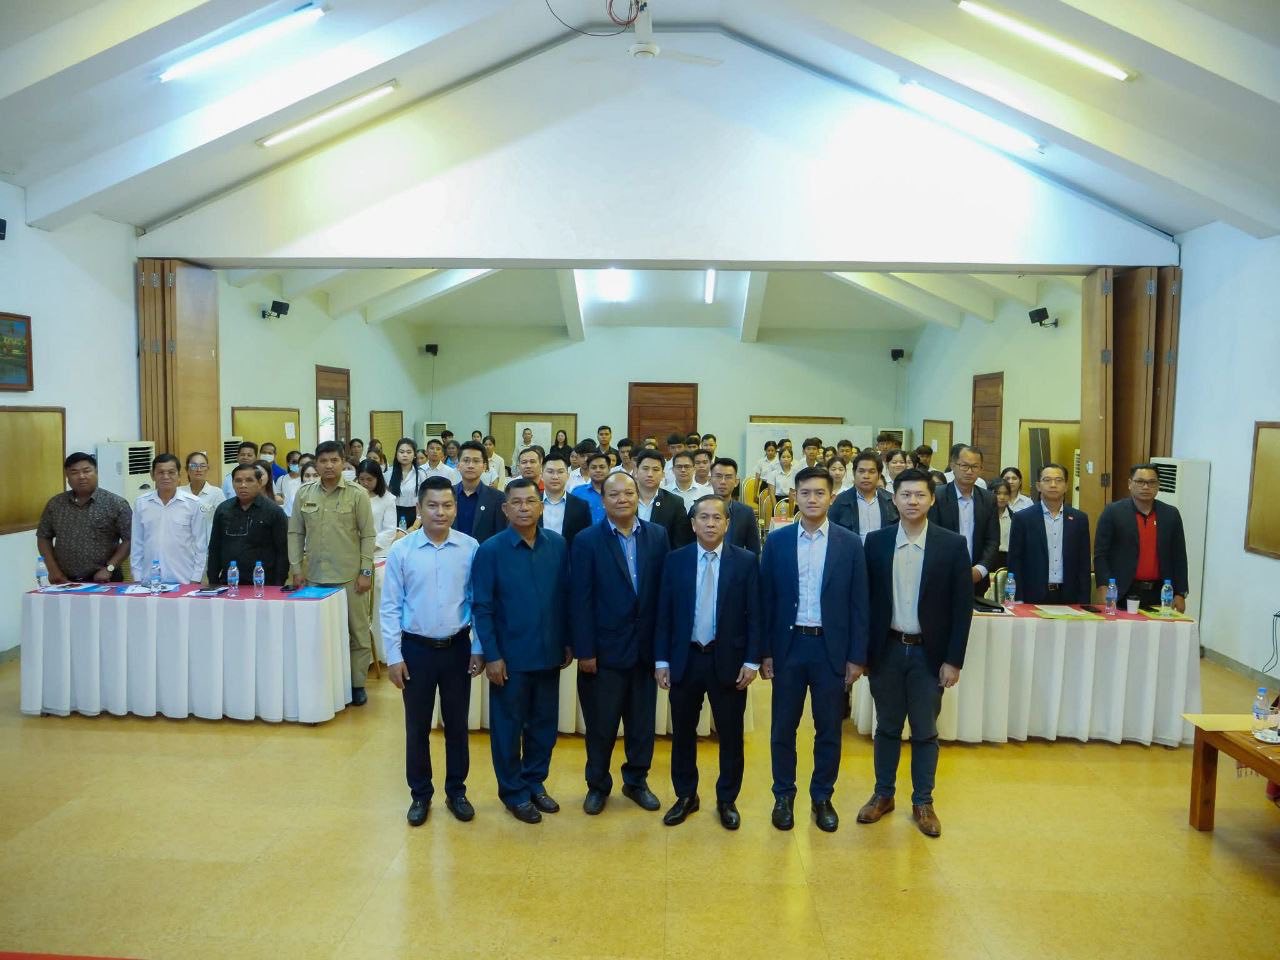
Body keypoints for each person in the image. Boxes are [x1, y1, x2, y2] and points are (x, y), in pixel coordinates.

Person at [858, 468, 973, 839]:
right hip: (887, 651)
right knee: (887, 727)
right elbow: (865, 603)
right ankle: (883, 794)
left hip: (929, 655)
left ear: (932, 499)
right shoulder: (876, 542)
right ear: (894, 499)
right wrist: (863, 654)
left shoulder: (951, 545)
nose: (912, 501)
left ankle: (923, 801)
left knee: (925, 731)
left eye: (920, 495)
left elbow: (962, 608)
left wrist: (953, 660)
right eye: (905, 495)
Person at [760, 466, 869, 833]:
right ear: (794, 496)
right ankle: (783, 795)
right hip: (788, 648)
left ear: (831, 497)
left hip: (830, 650)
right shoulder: (777, 541)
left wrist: (856, 656)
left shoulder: (849, 543)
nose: (812, 499)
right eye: (805, 493)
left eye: (819, 493)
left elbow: (859, 603)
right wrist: (765, 651)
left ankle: (822, 796)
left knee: (828, 729)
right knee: (783, 728)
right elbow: (766, 600)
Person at [382, 477, 484, 826]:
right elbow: (390, 606)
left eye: (447, 505)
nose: (440, 512)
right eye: (433, 505)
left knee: (457, 725)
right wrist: (393, 656)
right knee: (417, 727)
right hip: (416, 651)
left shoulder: (470, 547)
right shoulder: (402, 550)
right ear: (419, 508)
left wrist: (478, 647)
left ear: (455, 509)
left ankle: (457, 792)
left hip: (458, 648)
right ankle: (420, 794)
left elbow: (476, 601)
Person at [655, 494, 760, 829]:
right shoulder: (676, 560)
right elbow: (664, 613)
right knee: (683, 733)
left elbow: (756, 615)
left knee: (730, 735)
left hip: (728, 660)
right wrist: (661, 660)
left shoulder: (745, 561)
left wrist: (752, 661)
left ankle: (727, 799)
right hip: (685, 658)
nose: (710, 523)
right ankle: (686, 795)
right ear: (693, 523)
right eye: (704, 517)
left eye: (717, 518)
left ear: (727, 524)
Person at [472, 478, 572, 824]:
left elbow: (565, 597)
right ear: (505, 508)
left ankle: (535, 782)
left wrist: (567, 641)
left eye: (530, 501)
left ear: (541, 506)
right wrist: (492, 655)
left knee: (544, 725)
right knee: (507, 728)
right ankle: (513, 791)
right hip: (509, 658)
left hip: (549, 653)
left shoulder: (558, 545)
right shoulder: (490, 550)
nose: (524, 508)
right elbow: (482, 607)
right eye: (516, 502)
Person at [571, 472, 670, 816]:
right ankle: (598, 785)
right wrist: (585, 651)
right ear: (603, 501)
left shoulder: (658, 535)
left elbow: (664, 596)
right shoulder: (586, 540)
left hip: (645, 650)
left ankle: (636, 781)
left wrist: (662, 651)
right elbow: (580, 599)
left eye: (629, 493)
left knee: (642, 724)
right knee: (601, 726)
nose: (623, 499)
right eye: (614, 494)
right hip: (603, 652)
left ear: (638, 496)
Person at [288, 441, 376, 705]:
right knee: (317, 634)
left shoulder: (357, 494)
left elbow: (368, 535)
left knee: (358, 633)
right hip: (315, 577)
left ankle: (357, 684)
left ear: (343, 462)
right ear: (316, 464)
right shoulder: (304, 494)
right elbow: (295, 532)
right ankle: (322, 683)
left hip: (350, 577)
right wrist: (296, 568)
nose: (329, 465)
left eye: (334, 460)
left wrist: (365, 571)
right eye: (323, 461)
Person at [1094, 463, 1189, 612]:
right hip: (1122, 592)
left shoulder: (1170, 515)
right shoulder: (1113, 512)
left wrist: (1180, 593)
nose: (1146, 487)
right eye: (1140, 482)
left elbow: (1179, 556)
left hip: (1160, 593)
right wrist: (1103, 586)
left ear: (1158, 485)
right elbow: (1101, 554)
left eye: (1151, 482)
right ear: (1130, 483)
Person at [37, 453, 132, 584]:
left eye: (86, 471)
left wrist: (109, 568)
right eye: (74, 472)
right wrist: (53, 570)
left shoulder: (116, 504)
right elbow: (43, 537)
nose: (81, 476)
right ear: (67, 477)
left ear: (96, 472)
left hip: (104, 579)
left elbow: (130, 539)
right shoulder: (55, 504)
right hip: (64, 580)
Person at [1008, 463, 1092, 604]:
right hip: (1032, 596)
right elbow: (1015, 561)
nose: (1053, 485)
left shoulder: (1079, 519)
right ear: (1038, 486)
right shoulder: (1022, 518)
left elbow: (1084, 563)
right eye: (1047, 480)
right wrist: (1018, 598)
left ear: (1066, 486)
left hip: (1069, 596)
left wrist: (1084, 601)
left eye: (1059, 480)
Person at [929, 445, 1000, 596]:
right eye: (964, 466)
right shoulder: (937, 496)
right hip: (942, 577)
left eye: (975, 467)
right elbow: (932, 537)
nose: (969, 471)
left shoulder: (989, 499)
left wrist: (980, 570)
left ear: (981, 469)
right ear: (953, 466)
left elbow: (992, 540)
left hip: (976, 580)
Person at [207, 462, 289, 585]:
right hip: (229, 581)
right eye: (238, 481)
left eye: (249, 480)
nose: (243, 485)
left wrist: (278, 585)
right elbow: (214, 548)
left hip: (263, 583)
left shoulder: (274, 512)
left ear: (259, 483)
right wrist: (213, 581)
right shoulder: (223, 509)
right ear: (232, 483)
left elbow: (282, 552)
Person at [130, 454, 208, 584]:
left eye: (171, 472)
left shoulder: (194, 503)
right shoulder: (141, 503)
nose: (166, 477)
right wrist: (137, 577)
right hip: (148, 580)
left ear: (179, 475)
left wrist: (196, 578)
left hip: (184, 579)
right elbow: (137, 543)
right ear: (152, 475)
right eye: (161, 472)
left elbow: (200, 546)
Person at [830, 451, 898, 541]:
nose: (866, 476)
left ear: (879, 474)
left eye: (871, 472)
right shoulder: (841, 501)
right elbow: (831, 533)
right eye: (861, 471)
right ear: (854, 473)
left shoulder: (891, 500)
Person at [634, 449, 693, 548]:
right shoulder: (624, 499)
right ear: (636, 471)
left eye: (656, 469)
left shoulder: (675, 503)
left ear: (663, 474)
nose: (650, 474)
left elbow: (680, 543)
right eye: (645, 468)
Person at [453, 440, 507, 543]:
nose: (470, 465)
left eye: (476, 461)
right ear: (458, 465)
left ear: (484, 466)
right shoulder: (447, 495)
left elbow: (501, 535)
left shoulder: (498, 498)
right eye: (466, 460)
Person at [539, 452, 592, 547]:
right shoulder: (531, 503)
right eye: (550, 472)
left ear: (567, 475)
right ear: (541, 475)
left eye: (560, 472)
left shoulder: (581, 506)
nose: (555, 477)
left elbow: (586, 540)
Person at [709, 457, 759, 555]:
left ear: (736, 482)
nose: (723, 481)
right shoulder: (698, 509)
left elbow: (754, 550)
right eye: (718, 476)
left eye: (728, 477)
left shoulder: (746, 513)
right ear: (710, 480)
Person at [357, 459, 402, 557]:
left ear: (378, 478)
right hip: (354, 550)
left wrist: (369, 548)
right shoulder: (353, 496)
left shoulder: (388, 499)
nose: (365, 483)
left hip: (378, 552)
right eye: (361, 479)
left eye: (369, 479)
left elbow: (389, 530)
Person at [385, 438, 425, 529]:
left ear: (414, 455)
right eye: (401, 452)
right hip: (393, 514)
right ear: (396, 454)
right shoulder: (388, 474)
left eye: (409, 452)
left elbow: (423, 501)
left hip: (415, 515)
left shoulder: (421, 474)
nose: (405, 455)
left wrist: (416, 525)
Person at [179, 450, 226, 522]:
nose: (198, 469)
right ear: (187, 469)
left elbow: (224, 519)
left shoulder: (217, 493)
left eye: (202, 466)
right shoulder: (179, 492)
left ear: (207, 469)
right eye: (194, 466)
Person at [570, 450, 611, 524]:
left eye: (602, 467)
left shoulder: (617, 492)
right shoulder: (577, 493)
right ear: (588, 470)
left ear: (609, 469)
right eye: (594, 467)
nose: (598, 470)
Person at [991, 479, 1013, 570]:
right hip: (988, 559)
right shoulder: (984, 516)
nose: (1002, 497)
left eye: (1006, 493)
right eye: (998, 493)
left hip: (1008, 559)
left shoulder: (1014, 518)